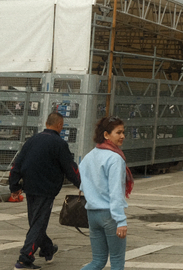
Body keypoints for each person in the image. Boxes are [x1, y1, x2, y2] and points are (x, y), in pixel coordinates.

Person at [9, 111, 81, 269]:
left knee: (35, 222)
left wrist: (14, 185)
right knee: (38, 224)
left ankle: (48, 248)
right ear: (60, 125)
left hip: (30, 187)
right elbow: (70, 168)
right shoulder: (59, 144)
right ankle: (24, 258)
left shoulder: (32, 140)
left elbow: (17, 163)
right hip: (46, 189)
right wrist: (81, 185)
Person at [78, 116, 133, 270]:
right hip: (110, 215)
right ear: (106, 135)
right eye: (118, 132)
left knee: (97, 261)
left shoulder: (88, 157)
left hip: (92, 214)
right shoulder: (115, 158)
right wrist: (120, 220)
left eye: (123, 132)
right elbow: (115, 192)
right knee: (116, 261)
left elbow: (83, 186)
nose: (122, 136)